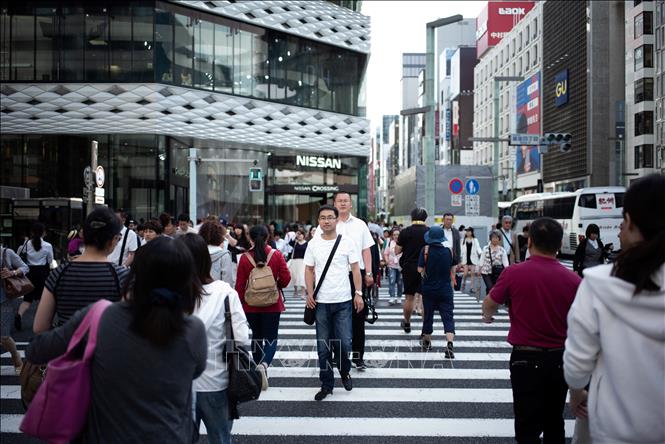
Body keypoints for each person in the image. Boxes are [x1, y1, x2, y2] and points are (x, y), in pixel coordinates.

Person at [26, 236, 207, 442]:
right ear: (186, 280)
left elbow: (36, 350)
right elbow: (196, 370)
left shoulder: (101, 316)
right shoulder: (194, 329)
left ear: (136, 274)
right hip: (171, 436)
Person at [563, 174, 665, 444]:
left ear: (629, 221)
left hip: (616, 428)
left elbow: (577, 363)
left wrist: (577, 393)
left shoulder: (599, 285)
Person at [482, 217, 581, 443]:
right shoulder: (573, 280)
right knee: (555, 420)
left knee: (527, 424)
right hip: (560, 358)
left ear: (530, 241)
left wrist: (488, 316)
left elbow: (489, 303)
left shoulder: (514, 273)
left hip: (525, 358)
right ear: (558, 245)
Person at [177, 233, 250, 443]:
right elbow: (242, 338)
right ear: (205, 260)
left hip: (178, 385)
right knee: (220, 438)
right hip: (216, 381)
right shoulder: (225, 293)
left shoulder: (170, 294)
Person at [33, 207, 130, 333]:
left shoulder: (59, 273)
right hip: (106, 349)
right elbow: (128, 326)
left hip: (67, 348)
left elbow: (39, 327)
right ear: (114, 240)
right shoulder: (122, 276)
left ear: (83, 235)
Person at [305, 205, 363, 401]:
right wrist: (309, 292)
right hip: (321, 302)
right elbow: (308, 270)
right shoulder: (313, 244)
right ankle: (326, 384)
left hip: (344, 301)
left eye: (330, 217)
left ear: (337, 220)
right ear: (318, 221)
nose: (326, 221)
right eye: (323, 218)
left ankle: (345, 371)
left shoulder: (347, 242)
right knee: (323, 347)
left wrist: (358, 293)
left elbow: (355, 269)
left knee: (345, 343)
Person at [314, 192, 375, 370]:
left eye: (345, 201)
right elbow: (316, 251)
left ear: (351, 204)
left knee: (358, 317)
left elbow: (366, 250)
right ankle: (335, 355)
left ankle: (358, 357)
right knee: (332, 317)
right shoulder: (325, 224)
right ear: (334, 203)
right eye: (339, 201)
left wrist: (369, 273)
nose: (342, 203)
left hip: (355, 274)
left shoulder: (360, 225)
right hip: (332, 276)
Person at [235, 225, 290, 390]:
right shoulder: (276, 255)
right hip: (272, 304)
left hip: (251, 305)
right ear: (268, 238)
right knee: (271, 338)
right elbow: (286, 279)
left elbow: (239, 285)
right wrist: (275, 285)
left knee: (257, 336)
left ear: (250, 238)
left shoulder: (244, 258)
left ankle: (258, 368)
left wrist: (240, 304)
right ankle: (264, 365)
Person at [417, 226, 455, 357]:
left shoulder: (425, 250)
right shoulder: (449, 251)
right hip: (445, 289)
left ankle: (427, 342)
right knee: (448, 317)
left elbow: (419, 269)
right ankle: (449, 344)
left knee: (428, 316)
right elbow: (453, 267)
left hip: (429, 289)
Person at [395, 208, 429, 333]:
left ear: (412, 217)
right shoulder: (429, 232)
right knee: (425, 299)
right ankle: (425, 329)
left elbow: (397, 251)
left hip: (409, 267)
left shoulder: (405, 232)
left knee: (409, 297)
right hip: (426, 268)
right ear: (425, 218)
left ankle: (407, 323)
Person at [15, 222, 54, 330]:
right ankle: (45, 322)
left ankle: (19, 315)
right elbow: (50, 260)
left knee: (27, 300)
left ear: (32, 232)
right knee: (44, 299)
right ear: (43, 232)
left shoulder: (25, 244)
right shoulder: (48, 246)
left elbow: (18, 257)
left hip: (29, 273)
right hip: (42, 274)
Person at [1, 242, 29, 375]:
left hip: (4, 299)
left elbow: (25, 267)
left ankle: (17, 359)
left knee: (4, 336)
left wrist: (12, 272)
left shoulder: (6, 253)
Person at [199, 221, 234, 287]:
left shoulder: (197, 252)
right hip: (218, 294)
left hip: (200, 292)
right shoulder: (224, 255)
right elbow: (227, 280)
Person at [479, 231, 509, 295]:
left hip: (497, 272)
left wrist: (507, 271)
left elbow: (505, 263)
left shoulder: (502, 250)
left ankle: (489, 300)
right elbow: (482, 259)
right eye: (493, 238)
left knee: (493, 288)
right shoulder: (486, 248)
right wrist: (479, 269)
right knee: (490, 287)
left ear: (499, 239)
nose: (495, 239)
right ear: (490, 239)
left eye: (497, 238)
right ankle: (489, 301)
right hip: (486, 271)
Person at [460, 227, 482, 294]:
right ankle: (463, 283)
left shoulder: (475, 240)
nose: (468, 233)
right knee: (465, 273)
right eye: (467, 231)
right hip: (465, 258)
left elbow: (478, 247)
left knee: (472, 273)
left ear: (472, 232)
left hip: (473, 258)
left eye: (469, 231)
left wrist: (481, 253)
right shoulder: (463, 240)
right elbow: (461, 249)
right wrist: (460, 258)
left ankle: (471, 288)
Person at [384, 228, 403, 306]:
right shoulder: (389, 243)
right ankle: (392, 296)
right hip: (391, 265)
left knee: (400, 282)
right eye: (394, 234)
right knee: (392, 281)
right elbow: (386, 253)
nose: (396, 236)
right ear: (392, 235)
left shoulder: (403, 243)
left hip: (401, 266)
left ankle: (399, 297)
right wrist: (387, 261)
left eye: (397, 234)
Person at [288, 228, 308, 300]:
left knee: (302, 277)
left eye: (301, 234)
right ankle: (295, 290)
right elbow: (289, 243)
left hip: (303, 262)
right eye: (298, 234)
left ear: (303, 235)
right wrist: (294, 236)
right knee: (295, 277)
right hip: (295, 262)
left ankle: (303, 293)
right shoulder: (295, 242)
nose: (299, 236)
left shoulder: (307, 243)